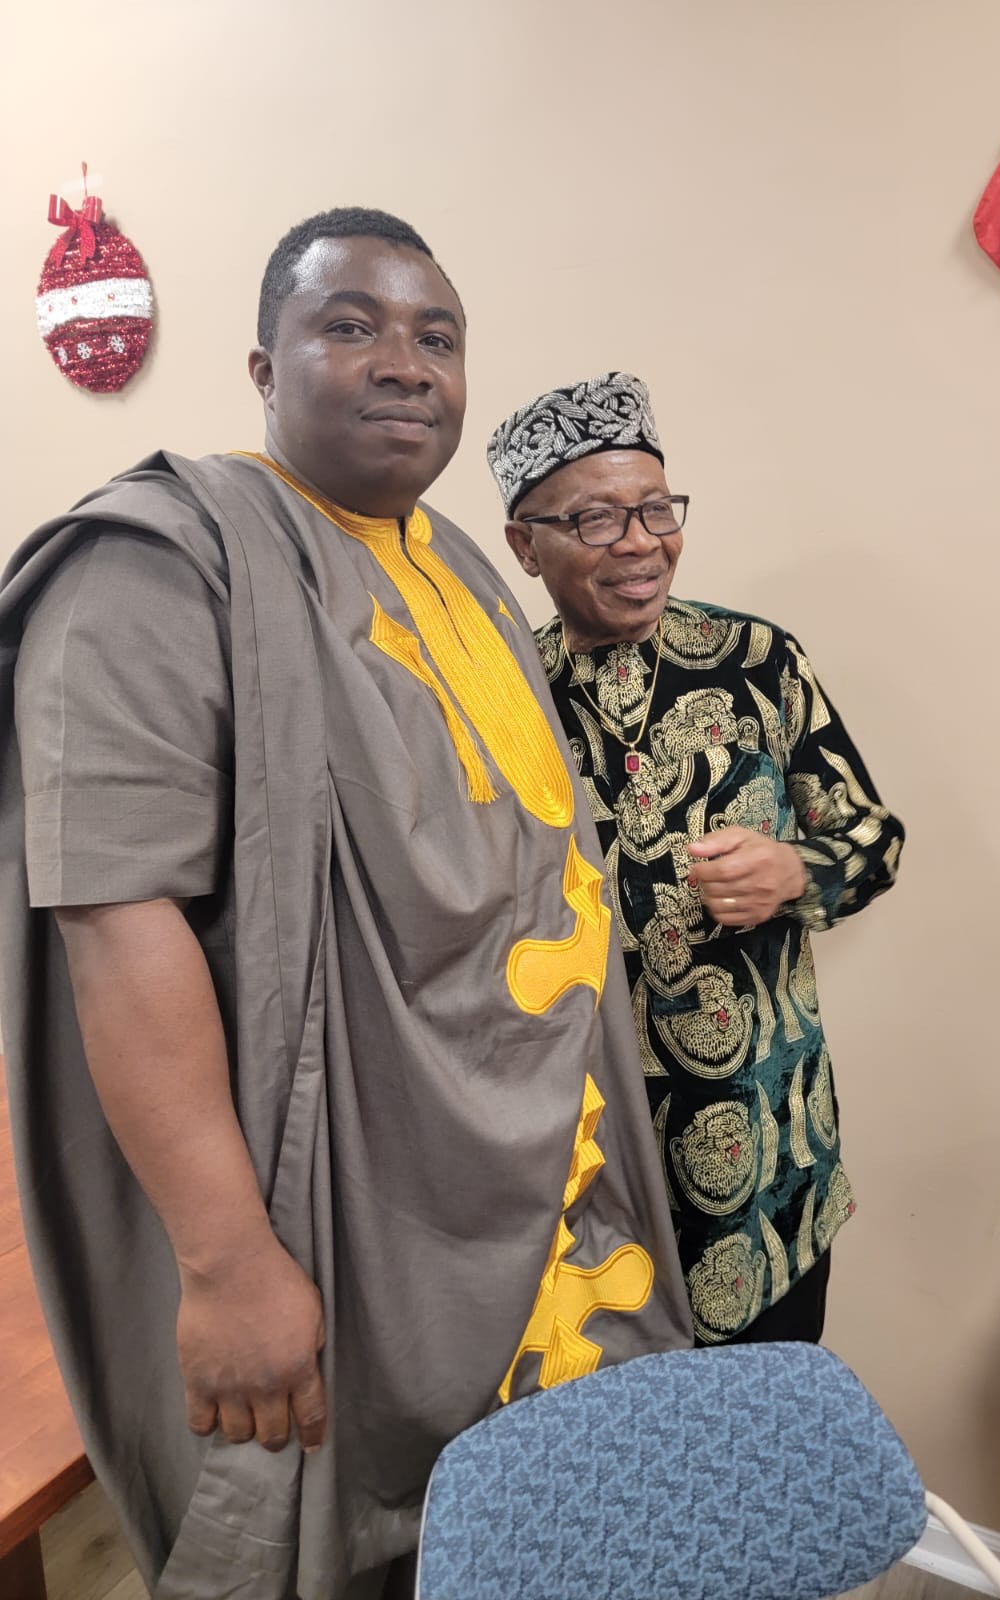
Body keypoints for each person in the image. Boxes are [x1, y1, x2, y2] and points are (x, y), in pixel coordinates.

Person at [0, 222, 693, 1600]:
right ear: (265, 364)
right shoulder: (154, 564)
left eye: (438, 337)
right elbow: (114, 925)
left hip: (540, 1175)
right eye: (351, 325)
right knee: (372, 1545)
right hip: (345, 1206)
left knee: (547, 1534)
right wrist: (226, 1266)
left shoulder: (458, 563)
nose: (405, 364)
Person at [487, 373, 905, 1347]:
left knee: (770, 1422)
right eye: (595, 519)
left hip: (770, 1169)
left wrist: (796, 871)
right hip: (586, 1182)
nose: (641, 542)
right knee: (624, 1435)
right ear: (524, 544)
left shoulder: (759, 661)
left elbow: (874, 842)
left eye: (657, 509)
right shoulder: (505, 701)